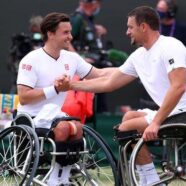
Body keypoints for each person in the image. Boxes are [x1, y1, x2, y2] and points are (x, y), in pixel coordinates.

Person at [61, 6, 186, 185]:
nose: (127, 32)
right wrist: (71, 85)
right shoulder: (139, 56)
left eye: (130, 27)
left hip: (182, 113)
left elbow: (179, 87)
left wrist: (157, 122)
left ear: (143, 27)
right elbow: (108, 82)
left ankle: (149, 180)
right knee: (129, 117)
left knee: (126, 129)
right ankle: (148, 176)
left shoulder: (171, 46)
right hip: (173, 111)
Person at [16, 12, 114, 186]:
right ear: (50, 34)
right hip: (31, 119)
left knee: (76, 127)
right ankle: (55, 179)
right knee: (63, 127)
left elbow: (98, 74)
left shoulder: (72, 58)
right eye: (65, 32)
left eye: (70, 32)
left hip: (55, 116)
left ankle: (63, 177)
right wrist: (54, 89)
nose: (70, 36)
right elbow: (24, 98)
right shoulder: (30, 60)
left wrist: (129, 70)